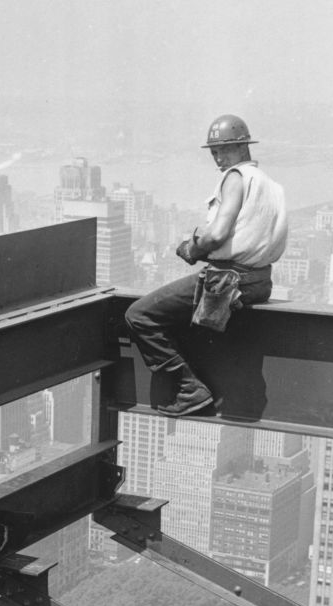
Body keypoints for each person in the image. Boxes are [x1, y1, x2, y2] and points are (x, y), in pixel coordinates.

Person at [125, 114, 288, 416]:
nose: (218, 158)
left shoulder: (236, 178)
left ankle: (189, 389)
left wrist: (192, 248)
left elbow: (217, 234)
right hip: (259, 283)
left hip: (228, 282)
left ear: (242, 148)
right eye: (214, 151)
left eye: (223, 150)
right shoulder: (272, 186)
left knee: (139, 315)